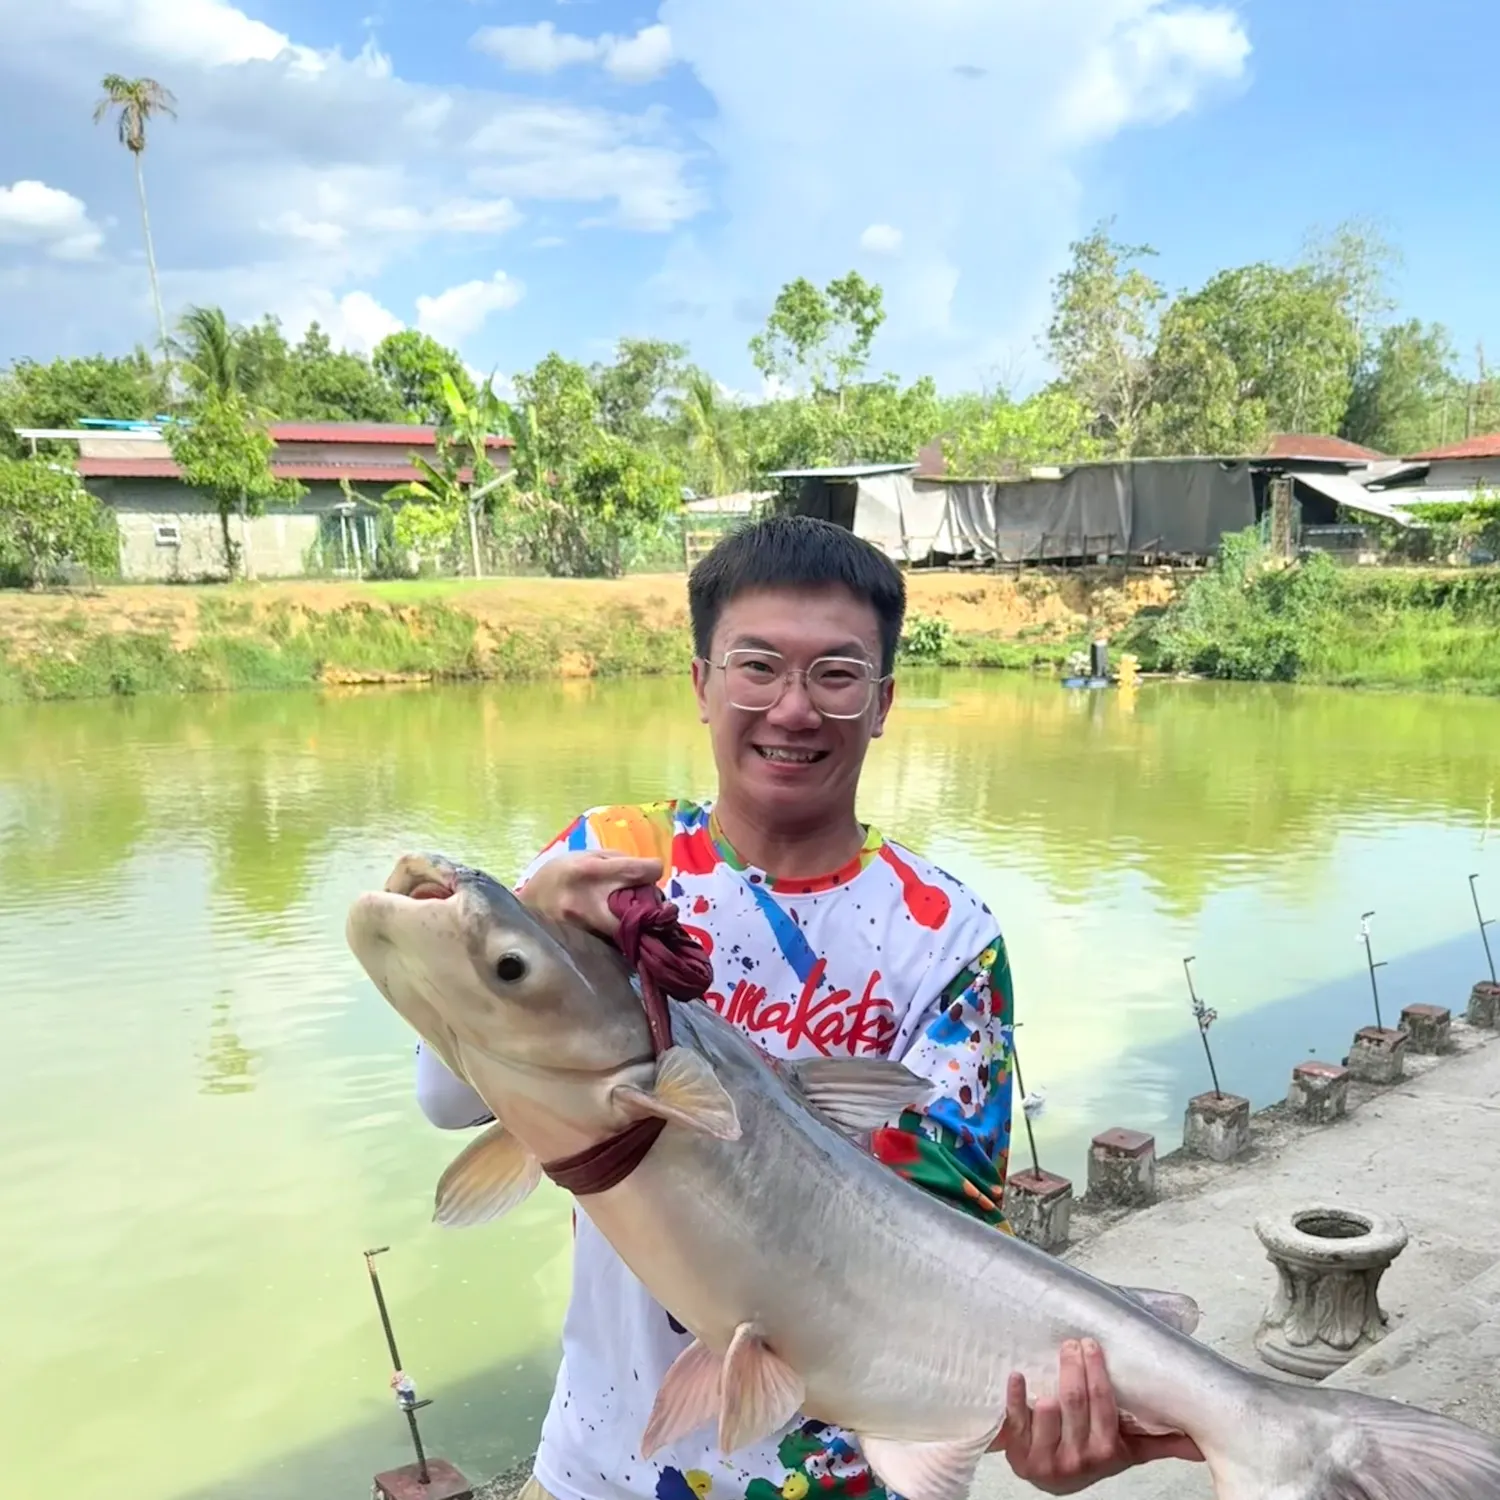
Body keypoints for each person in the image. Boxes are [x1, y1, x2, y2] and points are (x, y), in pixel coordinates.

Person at [414, 514, 1202, 1500]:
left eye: (836, 675)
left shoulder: (945, 935)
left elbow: (948, 1227)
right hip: (596, 1467)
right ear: (702, 683)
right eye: (757, 667)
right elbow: (447, 1102)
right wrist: (525, 917)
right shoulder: (609, 865)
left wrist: (1035, 1415)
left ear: (882, 702)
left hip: (842, 1477)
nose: (792, 709)